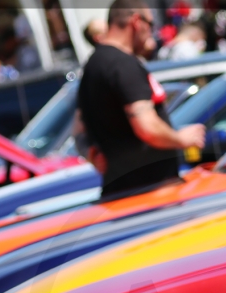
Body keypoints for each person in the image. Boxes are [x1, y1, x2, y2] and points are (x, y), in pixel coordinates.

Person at [76, 0, 206, 197]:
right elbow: (146, 127)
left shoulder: (92, 65)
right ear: (136, 21)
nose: (152, 32)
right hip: (150, 192)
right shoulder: (123, 64)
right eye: (151, 25)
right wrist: (182, 139)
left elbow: (78, 128)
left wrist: (91, 155)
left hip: (120, 192)